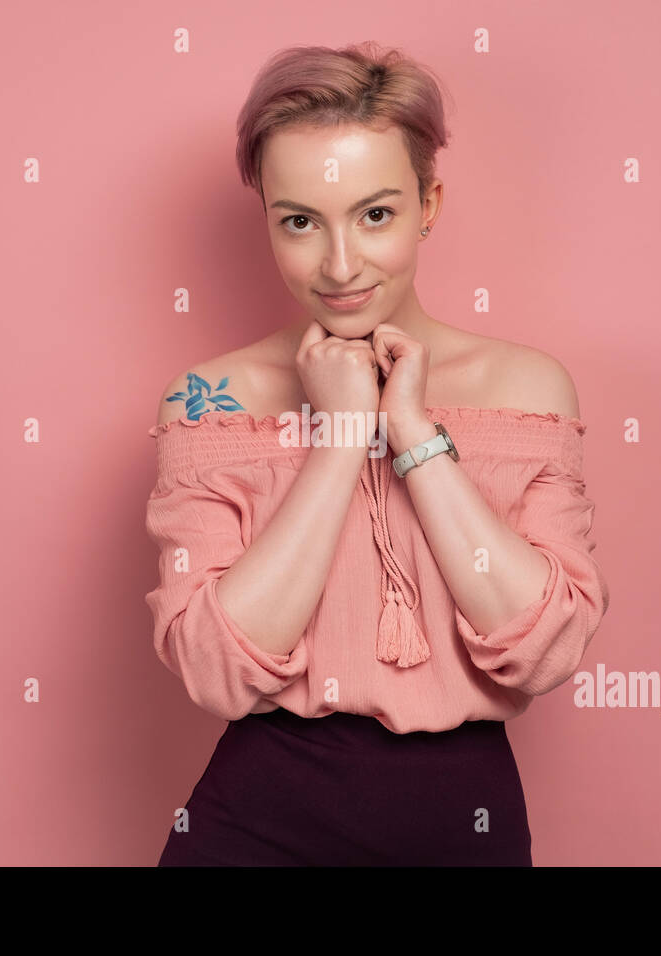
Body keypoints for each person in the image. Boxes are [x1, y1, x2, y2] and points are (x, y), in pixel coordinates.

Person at [144, 41, 610, 866]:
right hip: (255, 823)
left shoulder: (526, 386)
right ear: (266, 222)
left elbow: (543, 649)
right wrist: (339, 437)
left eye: (375, 214)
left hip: (465, 820)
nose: (340, 265)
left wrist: (415, 434)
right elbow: (218, 673)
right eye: (299, 222)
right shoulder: (207, 401)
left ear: (429, 203)